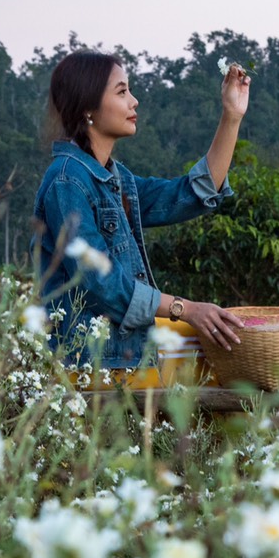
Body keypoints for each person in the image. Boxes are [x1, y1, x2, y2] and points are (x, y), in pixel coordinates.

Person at [32, 50, 248, 375]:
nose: (134, 102)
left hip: (126, 365)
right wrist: (185, 309)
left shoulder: (117, 180)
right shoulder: (68, 181)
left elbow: (189, 194)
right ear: (88, 108)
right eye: (122, 92)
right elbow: (102, 283)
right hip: (86, 371)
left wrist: (231, 116)